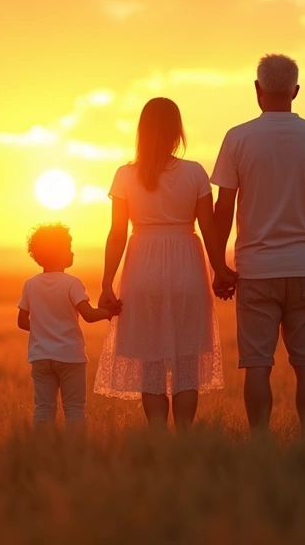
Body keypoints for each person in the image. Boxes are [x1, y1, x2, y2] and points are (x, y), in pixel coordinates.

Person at [211, 53, 305, 436]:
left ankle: (259, 444)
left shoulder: (237, 138)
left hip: (255, 271)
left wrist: (219, 266)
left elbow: (223, 208)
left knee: (257, 365)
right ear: (296, 91)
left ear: (257, 90)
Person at [95, 97, 234, 429]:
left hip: (142, 268)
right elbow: (210, 229)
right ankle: (183, 439)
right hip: (188, 267)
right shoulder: (195, 172)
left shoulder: (125, 174)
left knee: (151, 365)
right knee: (186, 365)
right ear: (176, 131)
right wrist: (220, 271)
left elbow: (116, 234)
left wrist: (105, 284)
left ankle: (158, 438)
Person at [17, 222, 116, 428]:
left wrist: (43, 328)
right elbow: (88, 315)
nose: (72, 253)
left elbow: (22, 321)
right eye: (69, 248)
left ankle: (40, 448)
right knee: (74, 408)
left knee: (44, 407)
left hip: (40, 357)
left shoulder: (30, 284)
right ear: (59, 253)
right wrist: (109, 313)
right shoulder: (72, 283)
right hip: (70, 357)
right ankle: (75, 449)